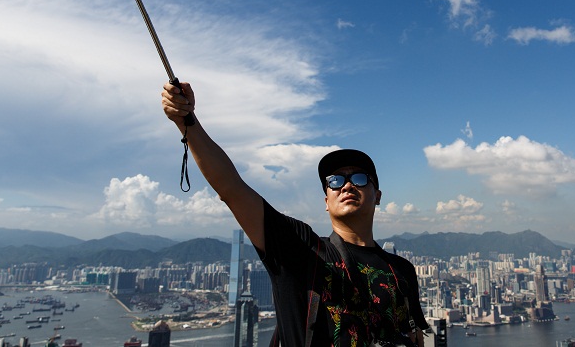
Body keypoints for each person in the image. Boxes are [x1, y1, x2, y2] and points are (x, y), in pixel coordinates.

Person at [162, 81, 429, 347]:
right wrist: (187, 121)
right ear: (327, 200)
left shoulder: (402, 271)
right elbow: (233, 189)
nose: (346, 185)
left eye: (359, 178)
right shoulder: (303, 251)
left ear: (378, 196)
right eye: (335, 181)